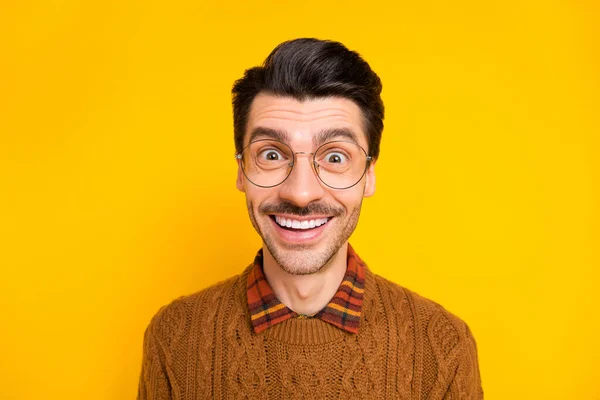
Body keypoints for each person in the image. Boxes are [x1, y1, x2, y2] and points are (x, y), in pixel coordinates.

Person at [137, 38, 483, 399]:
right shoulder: (175, 337)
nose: (300, 193)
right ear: (241, 171)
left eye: (335, 157)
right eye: (271, 154)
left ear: (368, 176)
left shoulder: (443, 347)